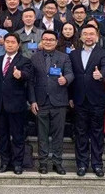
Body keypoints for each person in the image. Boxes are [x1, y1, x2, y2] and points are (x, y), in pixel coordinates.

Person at [29, 30, 73, 175]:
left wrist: (65, 79)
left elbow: (70, 73)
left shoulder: (64, 57)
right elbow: (31, 81)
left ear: (56, 42)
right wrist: (33, 100)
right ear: (41, 41)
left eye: (51, 39)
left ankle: (57, 163)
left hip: (59, 101)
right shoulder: (34, 57)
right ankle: (43, 163)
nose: (48, 42)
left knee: (58, 135)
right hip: (41, 102)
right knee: (42, 135)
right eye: (45, 39)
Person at [69, 25, 105, 177]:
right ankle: (81, 164)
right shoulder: (73, 54)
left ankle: (97, 164)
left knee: (97, 134)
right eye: (85, 34)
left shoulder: (103, 53)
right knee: (80, 133)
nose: (88, 37)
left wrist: (101, 74)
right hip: (79, 99)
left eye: (91, 34)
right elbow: (70, 76)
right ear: (80, 37)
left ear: (97, 37)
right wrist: (70, 97)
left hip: (96, 99)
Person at [0, 33, 32, 174]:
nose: (9, 44)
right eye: (7, 41)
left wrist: (21, 75)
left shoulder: (24, 61)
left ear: (18, 45)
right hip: (0, 105)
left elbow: (28, 75)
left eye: (13, 42)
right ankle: (4, 162)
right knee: (3, 136)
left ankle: (18, 163)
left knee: (18, 136)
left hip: (16, 105)